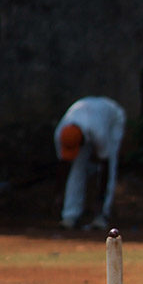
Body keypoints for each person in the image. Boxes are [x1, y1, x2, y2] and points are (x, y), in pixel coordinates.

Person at [54, 96, 126, 230]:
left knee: (111, 164)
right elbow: (63, 164)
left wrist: (99, 200)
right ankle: (70, 215)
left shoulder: (99, 132)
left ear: (82, 140)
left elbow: (105, 166)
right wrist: (59, 194)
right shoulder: (60, 133)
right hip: (90, 119)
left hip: (112, 118)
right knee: (77, 167)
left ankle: (102, 215)